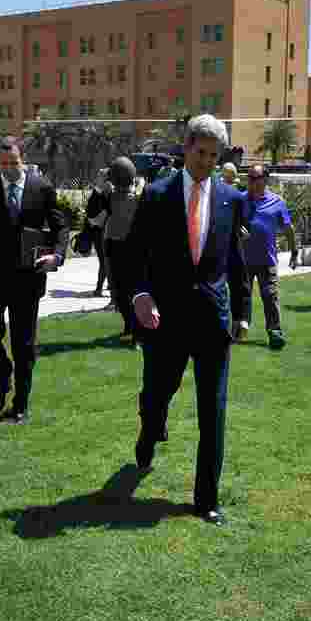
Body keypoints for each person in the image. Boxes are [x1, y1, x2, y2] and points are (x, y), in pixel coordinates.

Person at [126, 114, 250, 527]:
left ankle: (206, 500)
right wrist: (142, 295)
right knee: (157, 393)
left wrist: (244, 313)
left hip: (213, 321)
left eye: (214, 156)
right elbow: (134, 254)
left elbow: (236, 261)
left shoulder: (232, 199)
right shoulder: (157, 195)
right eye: (201, 153)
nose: (207, 163)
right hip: (167, 321)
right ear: (186, 148)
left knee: (213, 410)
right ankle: (150, 429)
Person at [0, 137, 69, 425]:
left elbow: (61, 227)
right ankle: (3, 376)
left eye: (13, 163)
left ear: (23, 159)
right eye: (3, 164)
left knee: (24, 344)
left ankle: (20, 404)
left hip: (28, 279)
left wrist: (57, 255)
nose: (8, 169)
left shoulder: (41, 188)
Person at [240, 165, 298, 349]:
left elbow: (288, 229)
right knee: (242, 296)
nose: (251, 181)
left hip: (267, 260)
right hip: (243, 260)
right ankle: (239, 328)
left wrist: (294, 252)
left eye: (255, 178)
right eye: (249, 177)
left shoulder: (277, 202)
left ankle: (275, 333)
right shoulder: (240, 200)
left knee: (270, 296)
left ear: (264, 180)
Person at [104, 157, 143, 344]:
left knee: (125, 291)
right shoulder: (112, 196)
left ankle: (135, 329)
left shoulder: (136, 197)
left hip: (127, 247)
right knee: (120, 292)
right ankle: (130, 327)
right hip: (117, 246)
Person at [84, 171, 112, 297]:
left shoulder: (108, 192)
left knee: (104, 261)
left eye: (99, 176)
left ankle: (99, 288)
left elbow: (107, 210)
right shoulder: (98, 192)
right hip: (97, 230)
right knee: (104, 260)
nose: (97, 178)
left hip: (104, 231)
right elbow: (90, 211)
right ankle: (107, 286)